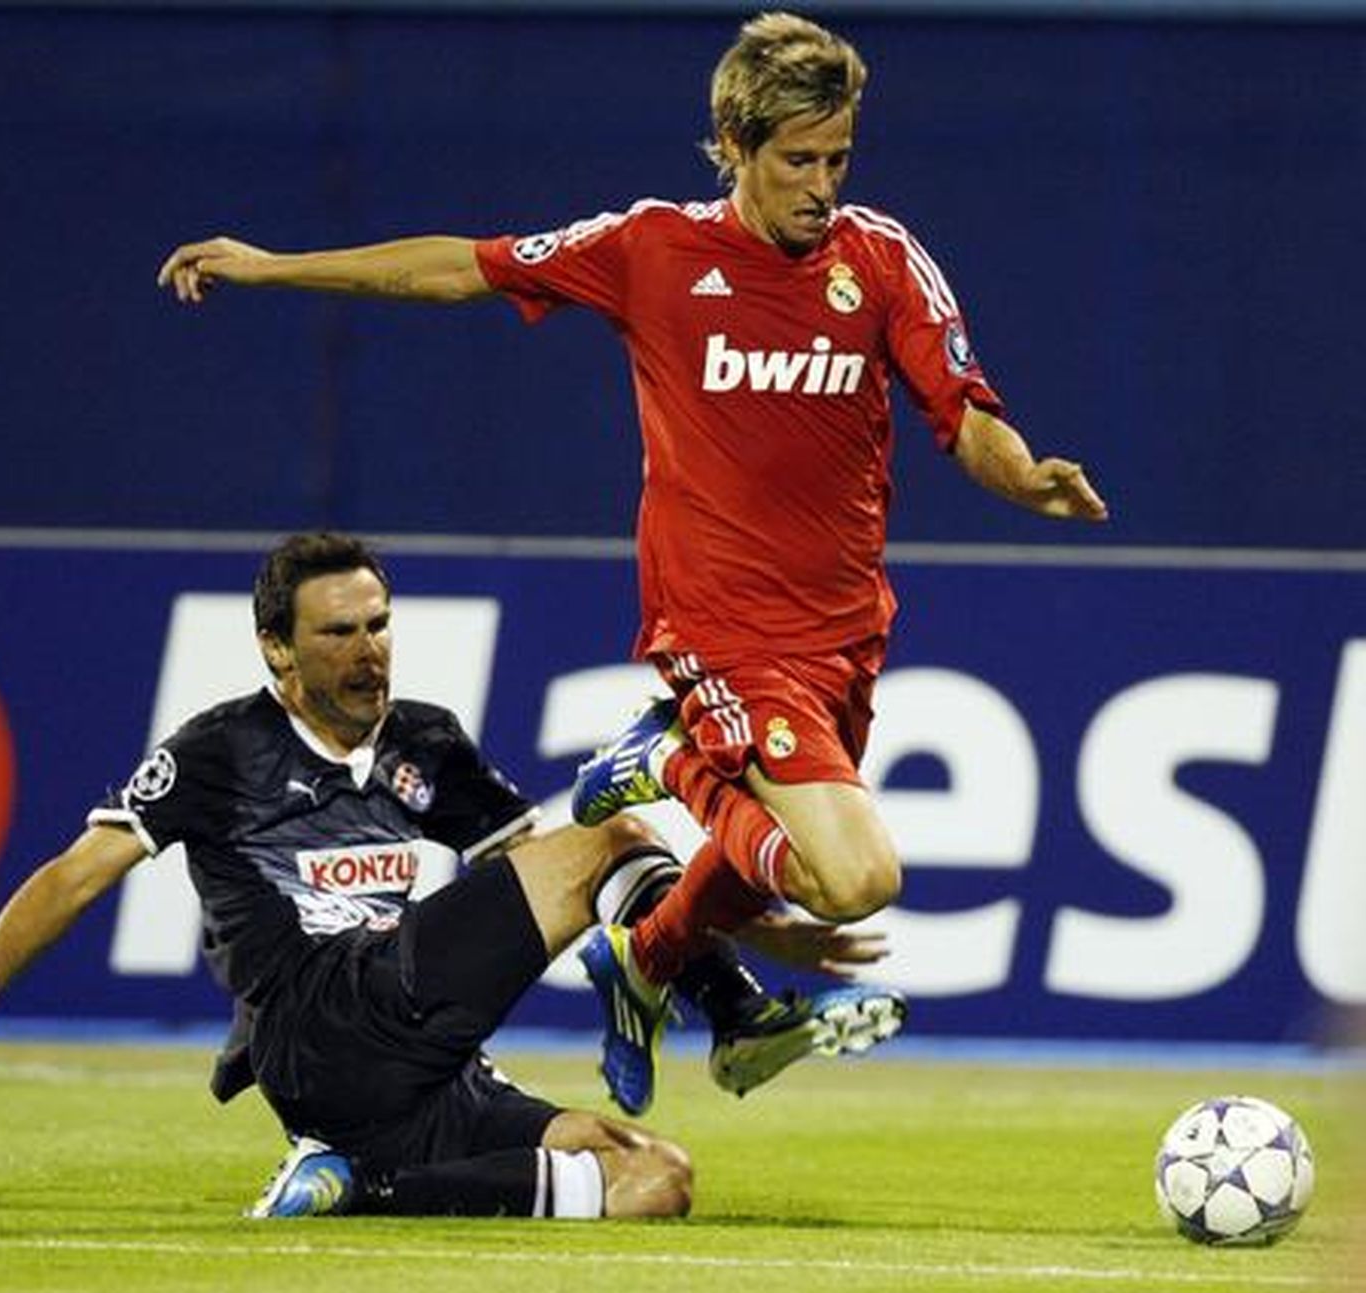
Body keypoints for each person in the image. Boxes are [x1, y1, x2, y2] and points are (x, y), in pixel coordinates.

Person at [156, 12, 1103, 1112]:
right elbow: (457, 269)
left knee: (780, 864)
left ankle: (645, 956)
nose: (822, 187)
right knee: (857, 878)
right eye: (798, 160)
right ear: (734, 146)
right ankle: (676, 762)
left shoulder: (882, 259)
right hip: (719, 627)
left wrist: (1025, 477)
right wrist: (273, 268)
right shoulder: (652, 249)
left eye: (838, 159)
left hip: (844, 631)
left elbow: (963, 411)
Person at [0, 531, 883, 1218]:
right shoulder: (221, 750)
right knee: (614, 831)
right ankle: (733, 1014)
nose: (368, 651)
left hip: (413, 1070)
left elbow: (547, 870)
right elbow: (76, 873)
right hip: (314, 1020)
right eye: (339, 633)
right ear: (277, 649)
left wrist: (759, 922)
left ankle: (358, 1182)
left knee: (655, 1179)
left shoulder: (425, 742)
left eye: (378, 624)